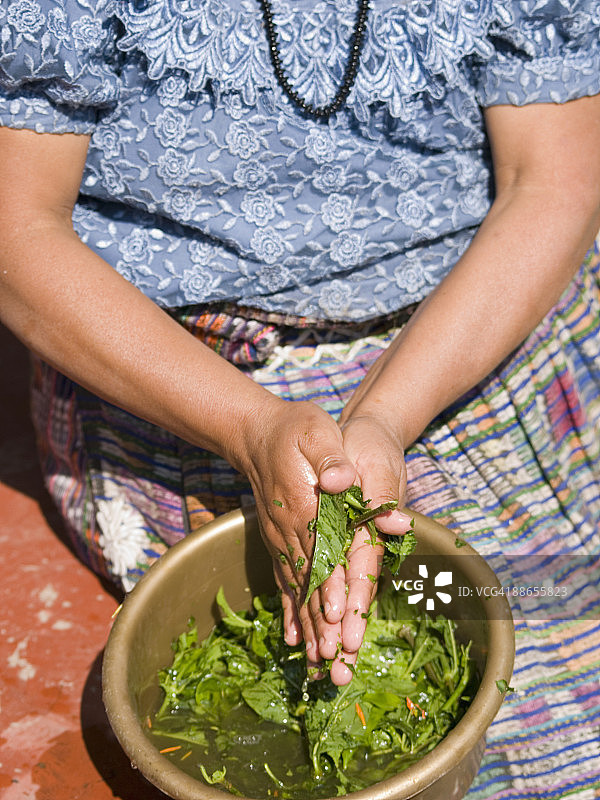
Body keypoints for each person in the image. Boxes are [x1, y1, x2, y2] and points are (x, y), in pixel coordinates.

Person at [1, 0, 600, 794]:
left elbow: (553, 182)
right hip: (184, 376)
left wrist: (386, 413)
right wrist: (250, 430)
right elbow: (15, 229)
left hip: (470, 336)